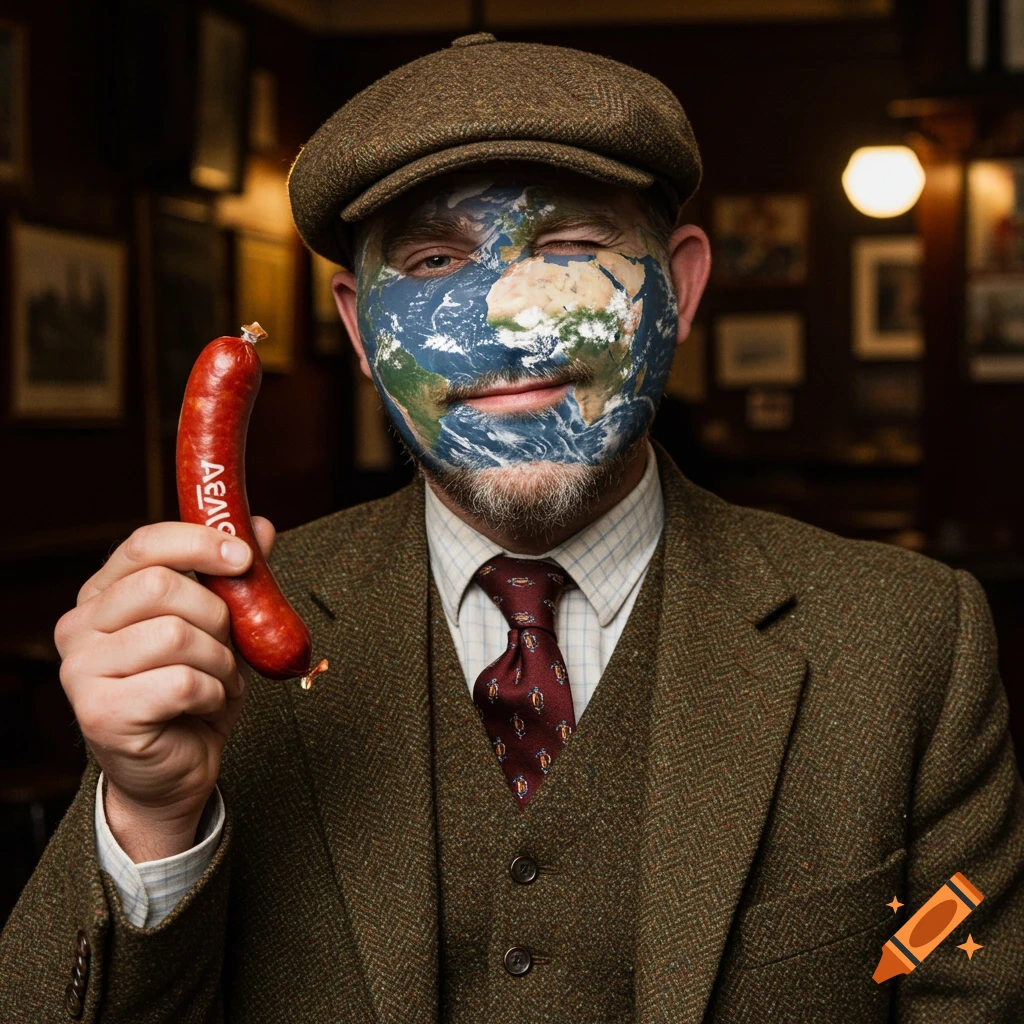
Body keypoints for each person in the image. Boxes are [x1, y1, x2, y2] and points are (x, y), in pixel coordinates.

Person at [2, 32, 1023, 1024]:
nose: (504, 322)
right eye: (436, 259)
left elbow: (963, 982)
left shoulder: (909, 644)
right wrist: (149, 821)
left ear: (682, 287)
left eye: (570, 249)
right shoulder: (208, 649)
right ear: (359, 329)